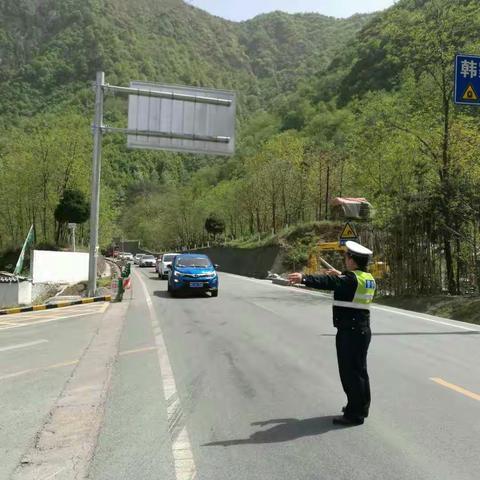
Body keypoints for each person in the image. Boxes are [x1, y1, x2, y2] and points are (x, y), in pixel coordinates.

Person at [288, 241, 376, 426]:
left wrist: (304, 278)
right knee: (360, 371)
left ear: (352, 260)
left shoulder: (350, 280)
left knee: (349, 373)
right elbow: (347, 281)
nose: (345, 259)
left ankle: (354, 414)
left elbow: (329, 282)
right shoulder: (367, 277)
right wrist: (341, 274)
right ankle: (360, 407)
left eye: (346, 256)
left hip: (350, 332)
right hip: (361, 330)